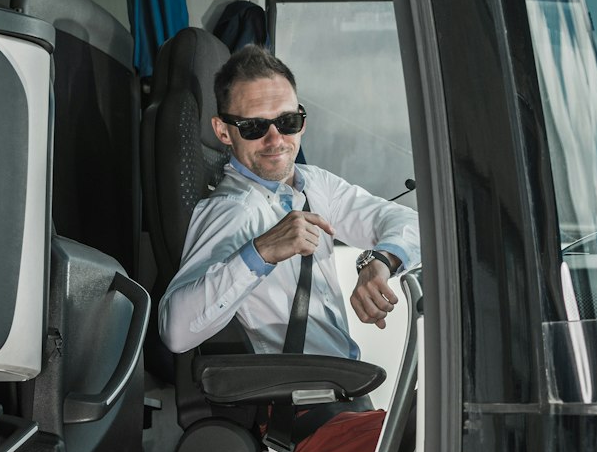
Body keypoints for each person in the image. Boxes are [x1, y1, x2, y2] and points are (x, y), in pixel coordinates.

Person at [161, 44, 420, 361]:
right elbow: (175, 332)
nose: (275, 140)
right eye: (254, 126)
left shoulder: (316, 184)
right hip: (300, 400)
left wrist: (379, 262)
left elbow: (410, 223)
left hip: (345, 387)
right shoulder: (233, 210)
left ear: (303, 120)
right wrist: (262, 251)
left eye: (287, 122)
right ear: (224, 132)